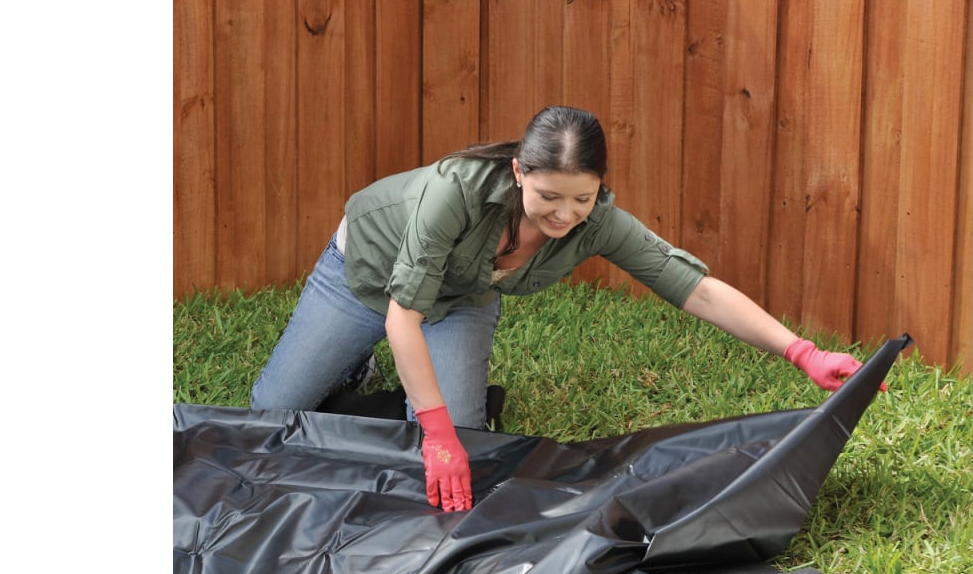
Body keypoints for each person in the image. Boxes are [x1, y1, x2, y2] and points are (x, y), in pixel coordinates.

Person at [252, 105, 873, 512]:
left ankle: (404, 393)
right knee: (266, 417)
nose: (564, 215)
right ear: (520, 172)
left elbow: (696, 288)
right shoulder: (453, 192)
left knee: (468, 443)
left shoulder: (594, 221)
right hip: (362, 279)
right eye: (549, 195)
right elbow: (401, 316)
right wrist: (432, 434)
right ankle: (352, 367)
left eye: (582, 198)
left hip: (460, 300)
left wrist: (801, 350)